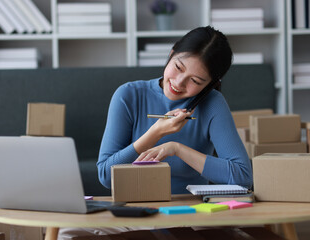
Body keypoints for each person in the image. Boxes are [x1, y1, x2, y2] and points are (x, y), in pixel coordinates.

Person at [97, 26, 253, 193]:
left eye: (195, 80)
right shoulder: (128, 95)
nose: (179, 83)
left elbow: (243, 178)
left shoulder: (212, 103)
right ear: (171, 54)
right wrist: (155, 132)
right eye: (178, 67)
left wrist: (177, 149)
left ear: (210, 85)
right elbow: (106, 176)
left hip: (191, 212)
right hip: (137, 210)